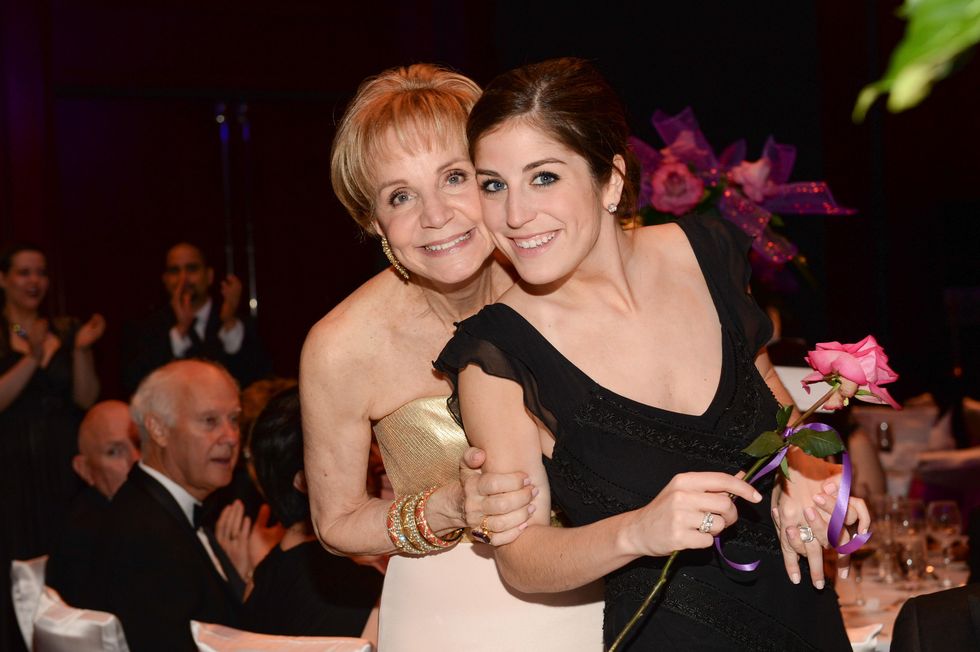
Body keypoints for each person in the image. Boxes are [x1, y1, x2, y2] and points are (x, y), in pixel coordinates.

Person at [436, 57, 868, 650]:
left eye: (544, 178)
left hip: (808, 623)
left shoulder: (708, 253)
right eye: (493, 185)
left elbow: (778, 411)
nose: (514, 215)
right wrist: (638, 531)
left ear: (611, 180)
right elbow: (523, 560)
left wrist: (810, 482)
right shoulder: (498, 353)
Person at [300, 63, 606, 650]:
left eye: (455, 178)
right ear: (373, 221)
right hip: (448, 620)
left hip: (612, 590)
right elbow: (335, 524)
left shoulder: (570, 284)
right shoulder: (342, 347)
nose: (435, 216)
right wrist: (446, 509)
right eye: (400, 196)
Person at [90, 360, 244, 651]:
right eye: (210, 421)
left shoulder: (154, 509)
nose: (231, 436)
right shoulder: (146, 537)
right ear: (158, 430)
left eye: (234, 419)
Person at [0, 243, 104, 650]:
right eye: (24, 272)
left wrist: (81, 349)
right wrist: (34, 356)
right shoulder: (10, 331)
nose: (34, 281)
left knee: (65, 555)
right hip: (11, 471)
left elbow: (86, 397)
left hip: (60, 468)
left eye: (40, 273)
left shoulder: (64, 328)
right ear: (4, 279)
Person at [233, 385, 383, 637]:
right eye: (355, 456)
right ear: (304, 481)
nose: (370, 465)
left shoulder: (262, 576)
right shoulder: (354, 586)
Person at [121, 241, 270, 395]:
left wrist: (228, 323)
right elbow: (139, 386)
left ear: (209, 276)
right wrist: (180, 332)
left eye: (192, 269)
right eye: (175, 271)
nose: (183, 279)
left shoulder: (235, 322)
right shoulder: (146, 328)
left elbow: (255, 379)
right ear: (165, 279)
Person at [46, 400, 140, 606]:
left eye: (140, 444)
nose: (136, 460)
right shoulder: (86, 536)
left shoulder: (155, 512)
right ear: (85, 469)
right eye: (114, 452)